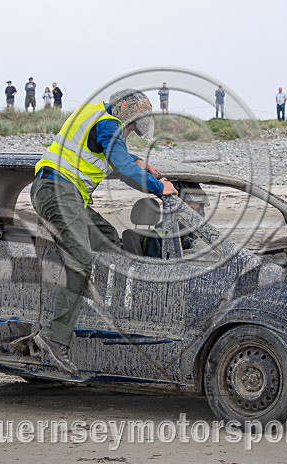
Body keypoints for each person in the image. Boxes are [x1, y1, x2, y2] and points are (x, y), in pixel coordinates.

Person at [30, 89, 177, 372]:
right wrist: (160, 188)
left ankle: (98, 308)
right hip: (59, 191)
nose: (131, 132)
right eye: (132, 126)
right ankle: (54, 338)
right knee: (80, 259)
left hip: (62, 192)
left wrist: (135, 159)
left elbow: (107, 153)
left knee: (108, 238)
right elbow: (121, 167)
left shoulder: (92, 114)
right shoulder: (108, 124)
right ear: (125, 112)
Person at [142, 184, 207, 258]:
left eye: (198, 210)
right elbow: (153, 267)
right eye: (190, 210)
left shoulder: (196, 233)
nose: (194, 215)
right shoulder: (157, 237)